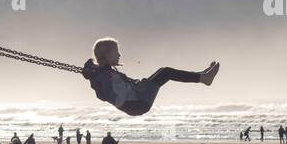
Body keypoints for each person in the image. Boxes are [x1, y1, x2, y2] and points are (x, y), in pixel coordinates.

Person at [81, 37, 218, 116]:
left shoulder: (104, 72)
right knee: (166, 72)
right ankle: (203, 78)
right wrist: (119, 85)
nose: (119, 55)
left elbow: (96, 72)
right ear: (106, 55)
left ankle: (202, 76)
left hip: (136, 99)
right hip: (137, 104)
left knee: (163, 71)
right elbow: (113, 99)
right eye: (116, 51)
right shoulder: (106, 76)